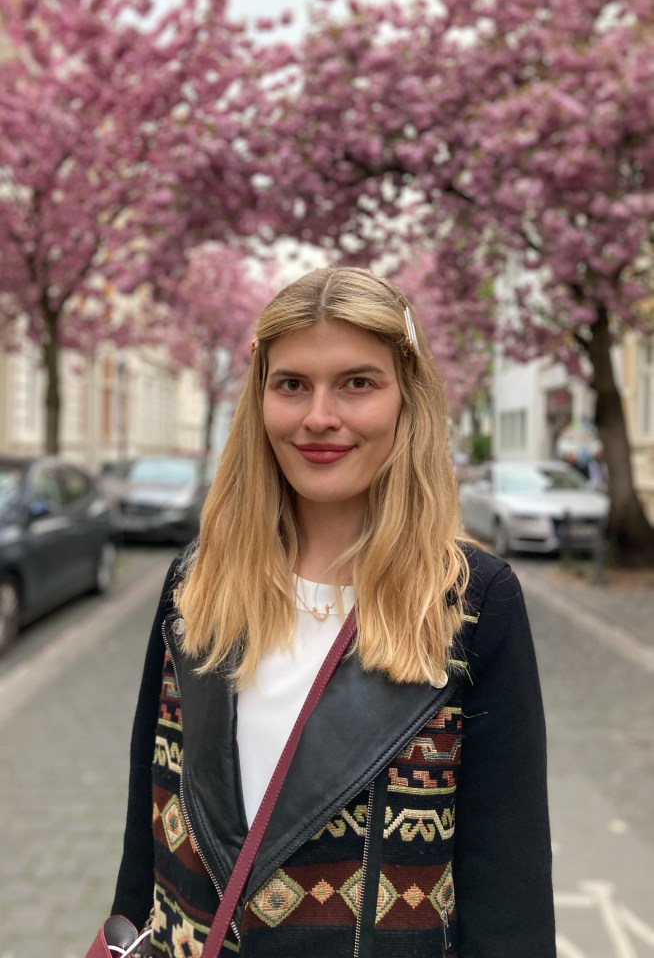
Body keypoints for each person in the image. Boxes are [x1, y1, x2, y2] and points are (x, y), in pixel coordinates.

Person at [110, 267, 556, 957]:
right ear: (260, 399)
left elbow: (509, 891)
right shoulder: (195, 585)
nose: (319, 416)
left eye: (357, 383)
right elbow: (147, 832)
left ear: (407, 399)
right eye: (292, 384)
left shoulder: (470, 603)